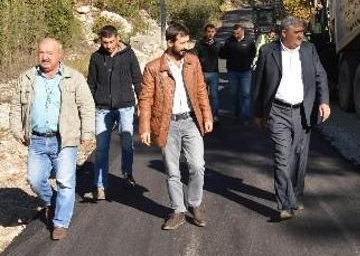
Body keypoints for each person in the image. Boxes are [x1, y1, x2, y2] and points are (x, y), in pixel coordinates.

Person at [10, 38, 95, 240]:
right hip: (37, 139)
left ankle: (60, 223)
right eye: (41, 52)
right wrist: (16, 129)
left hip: (64, 139)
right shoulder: (27, 77)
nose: (45, 57)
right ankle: (53, 200)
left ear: (60, 55)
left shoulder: (73, 77)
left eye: (49, 53)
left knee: (65, 181)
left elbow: (87, 106)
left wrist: (87, 133)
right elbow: (15, 106)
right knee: (35, 179)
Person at [252, 17, 330, 220]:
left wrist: (324, 102)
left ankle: (296, 195)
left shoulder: (308, 49)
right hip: (278, 111)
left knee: (299, 157)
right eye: (297, 32)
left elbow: (320, 76)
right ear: (284, 33)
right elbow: (258, 83)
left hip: (303, 111)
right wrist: (258, 113)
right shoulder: (268, 51)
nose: (301, 36)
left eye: (302, 32)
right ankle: (284, 204)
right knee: (282, 157)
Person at [138, 22, 214, 230]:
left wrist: (207, 115)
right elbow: (145, 99)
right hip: (167, 124)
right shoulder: (154, 68)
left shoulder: (192, 61)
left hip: (191, 121)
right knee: (172, 171)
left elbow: (201, 90)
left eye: (187, 41)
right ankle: (178, 210)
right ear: (170, 42)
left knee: (197, 166)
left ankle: (195, 204)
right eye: (181, 42)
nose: (186, 46)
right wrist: (144, 127)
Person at [87, 25, 142, 200]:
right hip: (102, 108)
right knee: (102, 148)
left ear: (117, 39)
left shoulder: (129, 55)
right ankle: (100, 186)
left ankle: (127, 174)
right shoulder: (96, 57)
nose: (108, 46)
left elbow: (138, 79)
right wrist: (89, 107)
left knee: (127, 143)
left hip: (125, 106)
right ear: (101, 41)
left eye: (111, 42)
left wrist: (142, 102)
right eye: (105, 42)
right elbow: (91, 84)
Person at [219, 24, 255, 124]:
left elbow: (253, 53)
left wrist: (248, 63)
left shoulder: (249, 41)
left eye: (238, 33)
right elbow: (222, 54)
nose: (236, 35)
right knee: (233, 94)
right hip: (232, 71)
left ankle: (246, 116)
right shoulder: (229, 41)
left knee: (246, 94)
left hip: (246, 72)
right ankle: (236, 111)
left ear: (242, 31)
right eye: (234, 33)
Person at [194, 23, 222, 123]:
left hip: (214, 73)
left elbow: (224, 54)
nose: (210, 34)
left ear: (215, 32)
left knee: (214, 96)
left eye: (212, 32)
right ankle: (203, 116)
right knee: (202, 96)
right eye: (208, 32)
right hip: (202, 73)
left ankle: (215, 116)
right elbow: (195, 56)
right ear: (205, 32)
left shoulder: (218, 44)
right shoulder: (199, 43)